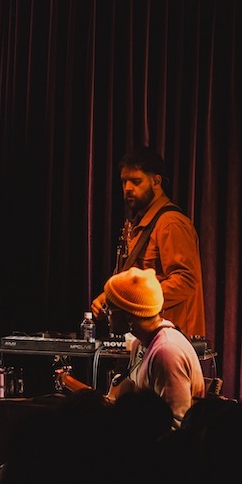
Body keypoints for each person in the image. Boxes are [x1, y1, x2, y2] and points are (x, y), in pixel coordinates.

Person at [90, 146, 206, 339]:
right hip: (151, 337)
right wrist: (111, 296)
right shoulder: (139, 224)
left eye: (136, 181)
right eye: (124, 182)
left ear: (156, 182)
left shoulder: (171, 223)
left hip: (172, 338)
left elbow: (186, 280)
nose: (128, 188)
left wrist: (137, 300)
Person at [100, 267, 205, 425]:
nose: (105, 313)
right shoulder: (139, 343)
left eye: (109, 307)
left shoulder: (166, 351)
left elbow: (175, 423)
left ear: (128, 315)